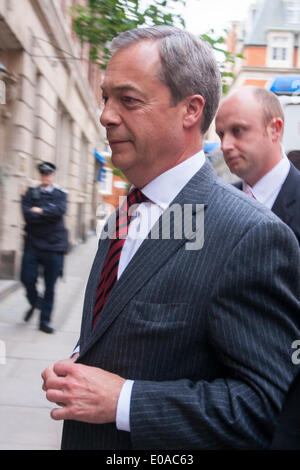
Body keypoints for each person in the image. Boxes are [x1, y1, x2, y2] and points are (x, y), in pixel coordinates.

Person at [42, 26, 300, 450]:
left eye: (128, 100)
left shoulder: (252, 235)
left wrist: (124, 400)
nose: (106, 114)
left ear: (190, 110)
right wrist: (81, 360)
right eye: (105, 98)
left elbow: (266, 407)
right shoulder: (127, 210)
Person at [215, 86, 300, 245]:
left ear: (274, 129)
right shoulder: (217, 203)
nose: (225, 145)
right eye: (221, 134)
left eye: (237, 130)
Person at [21, 162, 68, 334]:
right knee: (26, 278)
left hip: (54, 246)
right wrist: (47, 213)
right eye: (43, 174)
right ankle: (35, 302)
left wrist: (39, 211)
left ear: (53, 175)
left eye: (49, 174)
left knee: (50, 286)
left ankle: (44, 321)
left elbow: (59, 211)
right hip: (33, 244)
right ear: (40, 175)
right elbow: (27, 215)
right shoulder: (30, 193)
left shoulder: (60, 194)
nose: (46, 177)